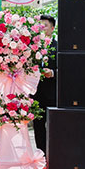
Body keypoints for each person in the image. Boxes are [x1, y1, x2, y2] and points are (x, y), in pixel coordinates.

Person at [32, 14, 57, 154]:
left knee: (53, 124)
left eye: (45, 25)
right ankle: (41, 153)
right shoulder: (33, 47)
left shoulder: (58, 47)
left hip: (52, 92)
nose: (42, 28)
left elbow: (66, 69)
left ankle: (54, 153)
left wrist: (52, 72)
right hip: (36, 92)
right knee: (38, 124)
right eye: (40, 25)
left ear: (52, 28)